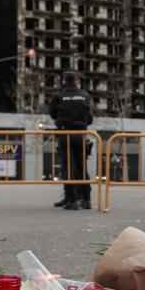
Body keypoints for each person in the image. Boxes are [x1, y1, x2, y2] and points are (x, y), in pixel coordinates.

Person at [49, 70, 94, 210]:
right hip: (81, 134)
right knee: (81, 167)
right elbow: (89, 118)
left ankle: (71, 199)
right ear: (76, 81)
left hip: (65, 133)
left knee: (68, 168)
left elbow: (53, 114)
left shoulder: (59, 96)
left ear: (63, 81)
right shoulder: (85, 96)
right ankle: (86, 199)